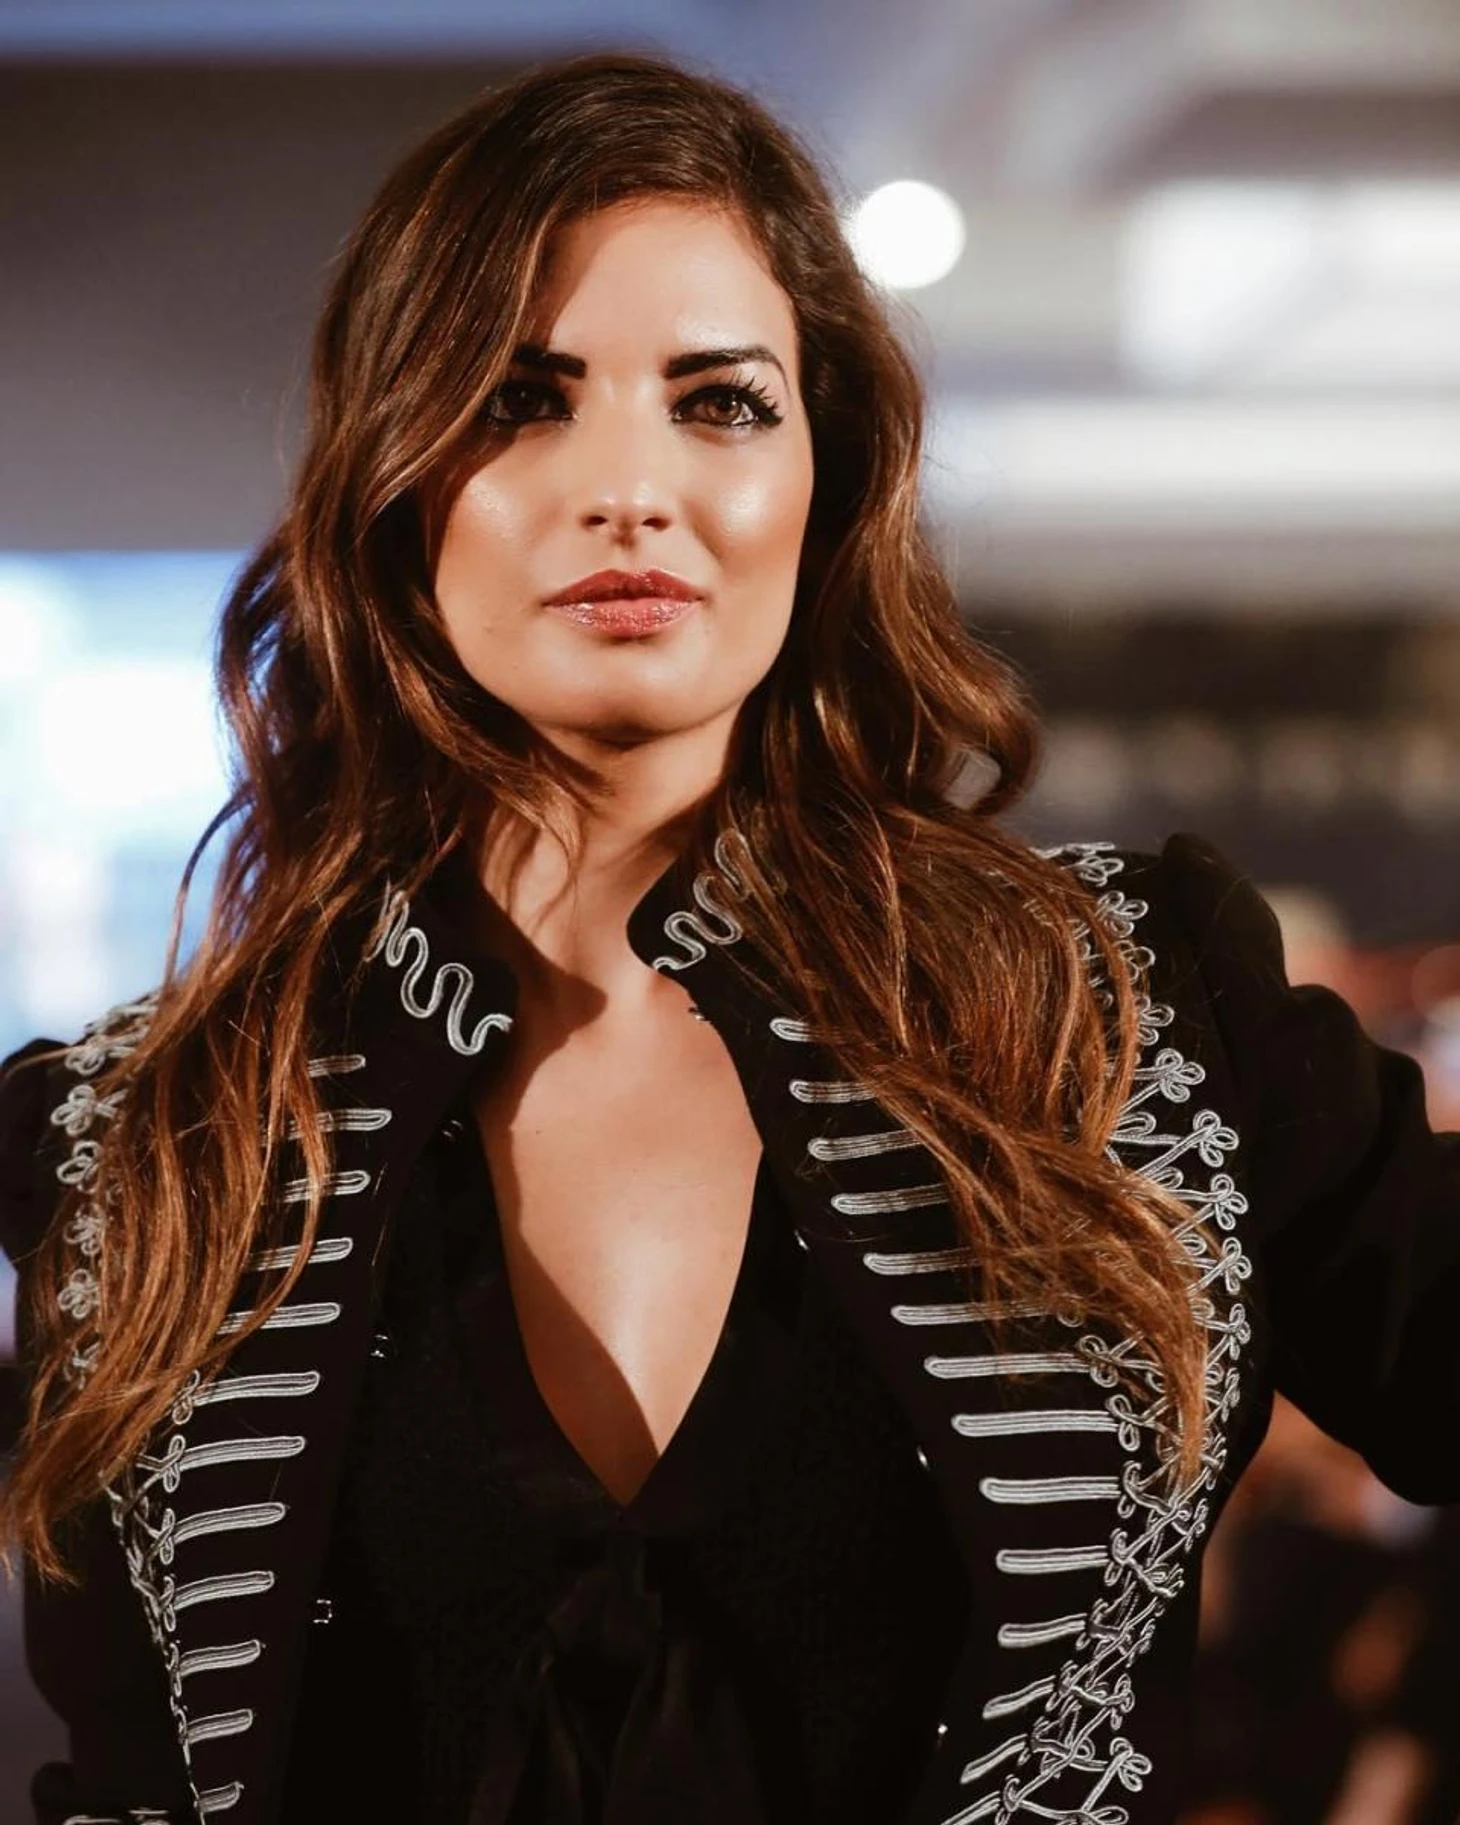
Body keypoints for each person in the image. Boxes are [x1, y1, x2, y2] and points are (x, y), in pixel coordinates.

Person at [0, 46, 1456, 1825]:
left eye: (721, 402)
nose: (631, 488)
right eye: (522, 398)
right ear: (395, 479)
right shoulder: (148, 1142)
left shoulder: (1126, 1010)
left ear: (827, 476)